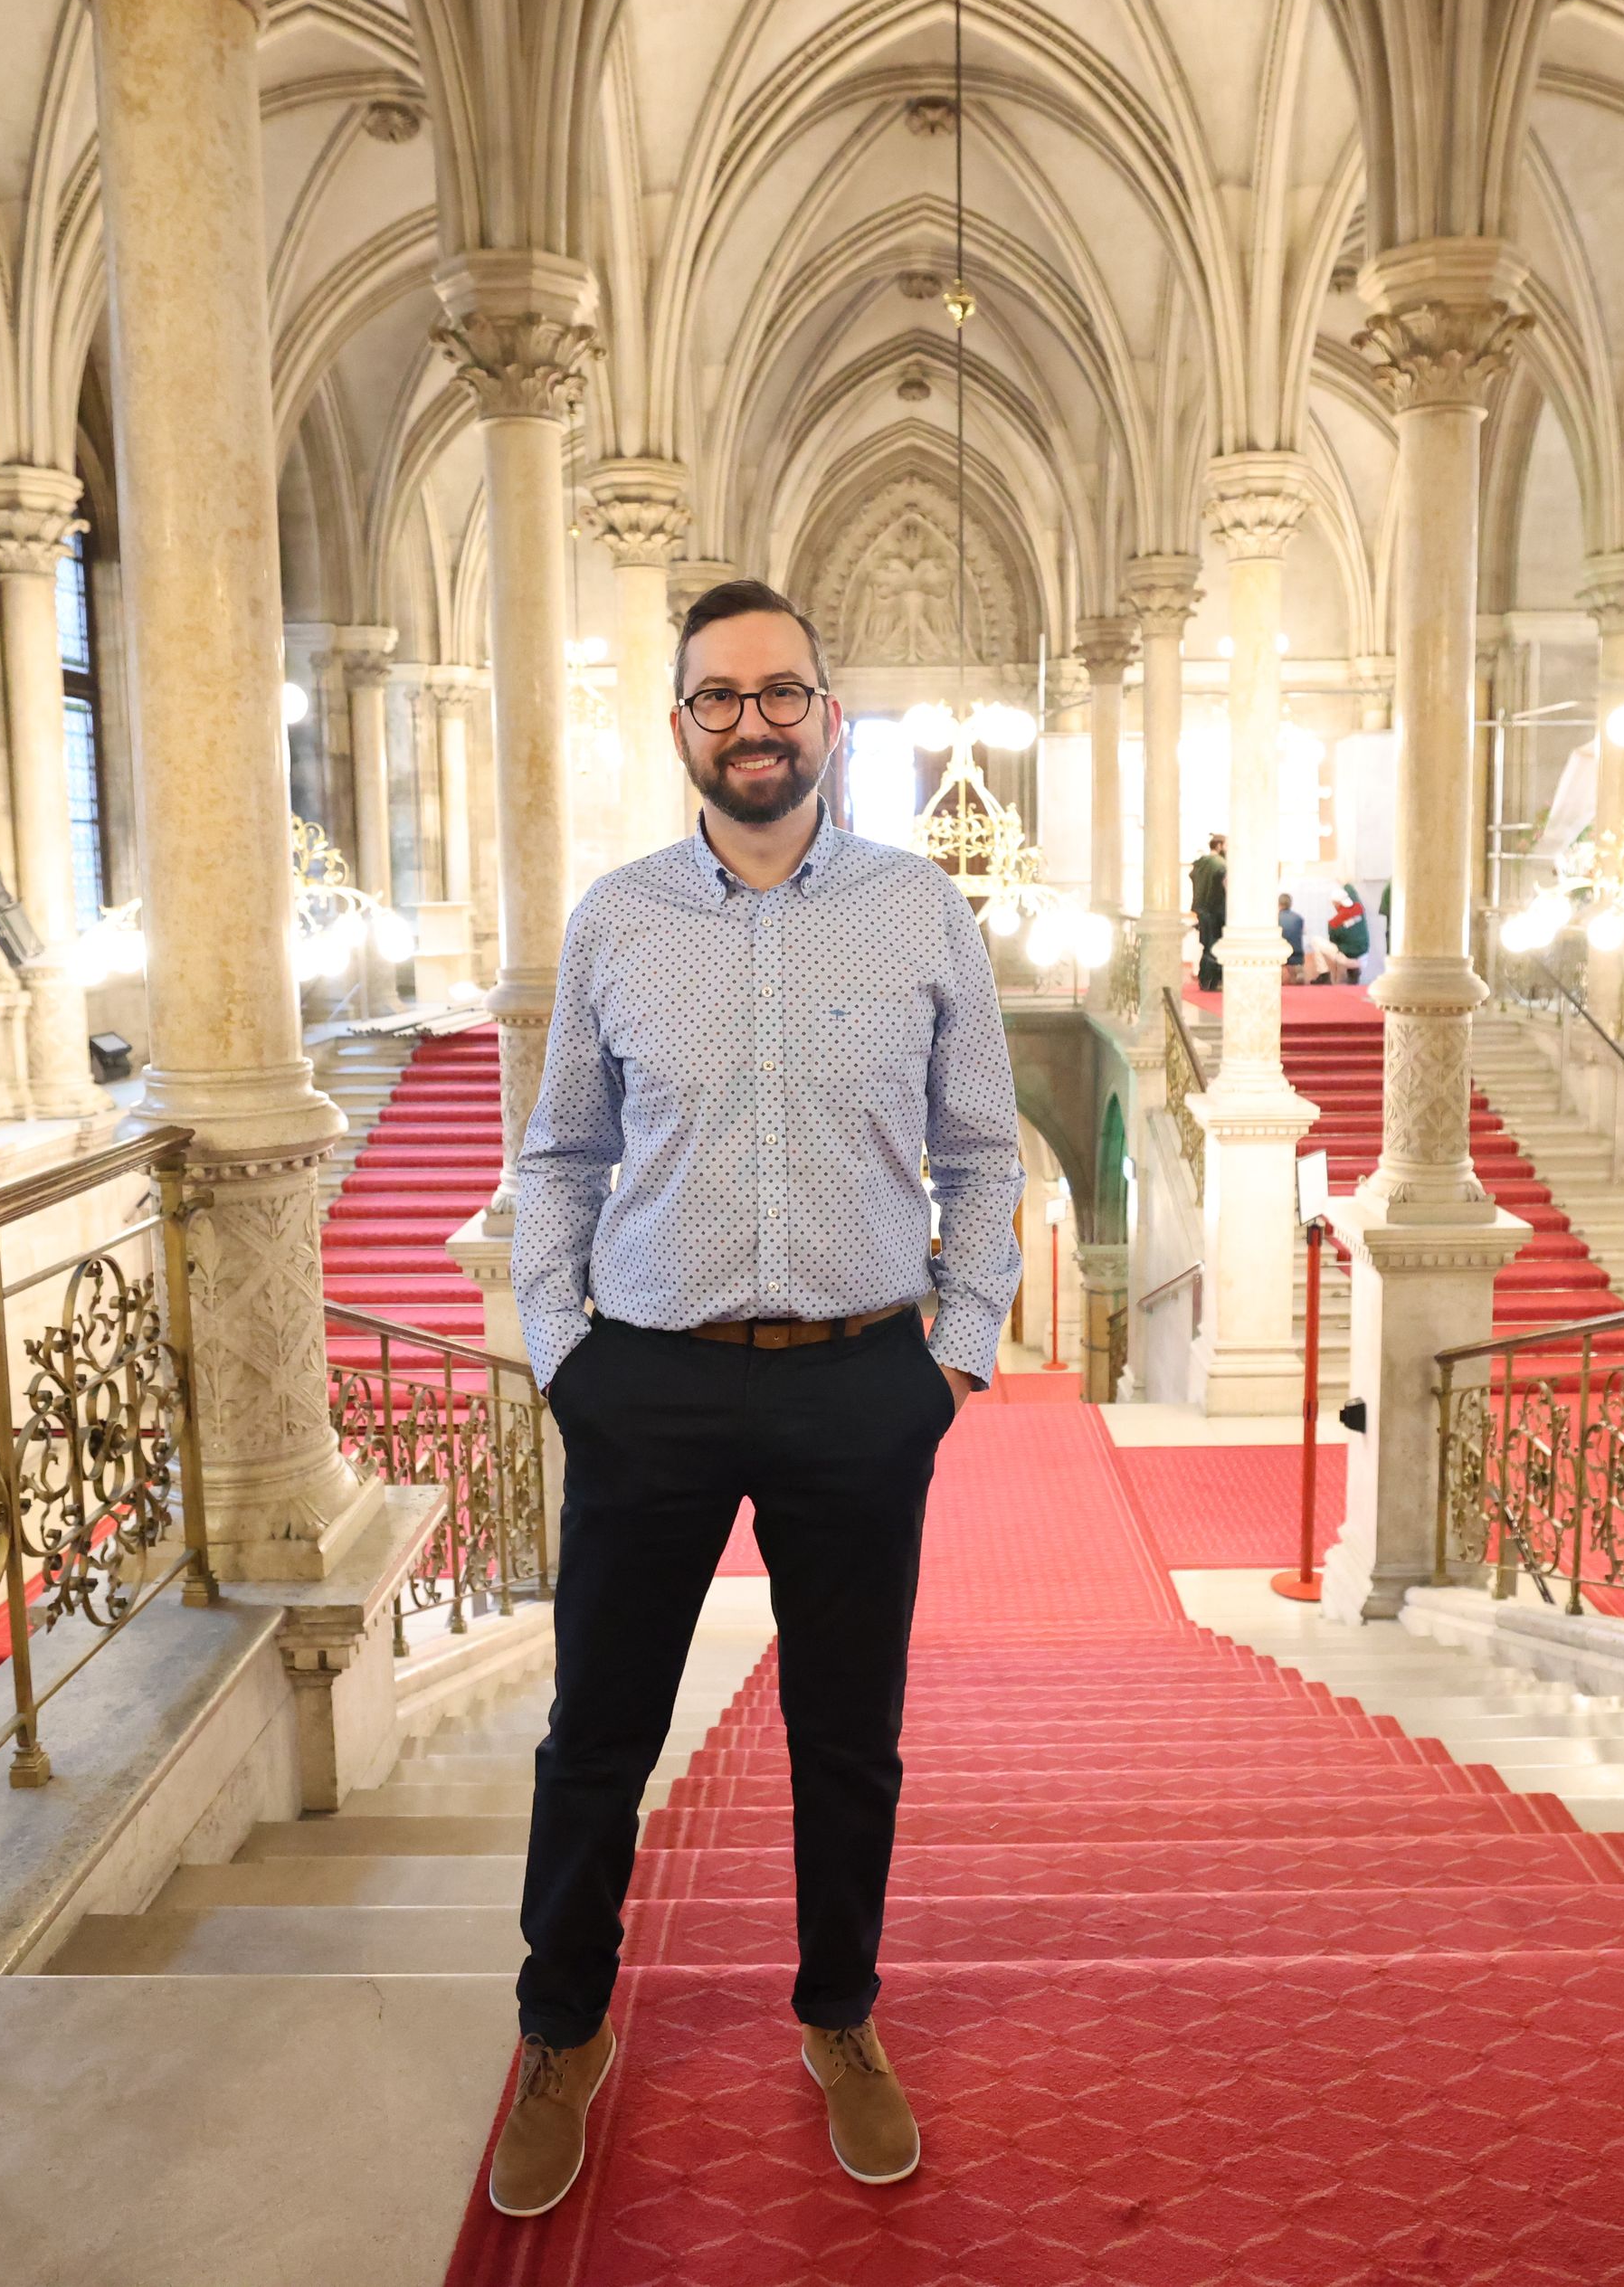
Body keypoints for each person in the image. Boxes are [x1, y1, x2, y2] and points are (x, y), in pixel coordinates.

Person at [492, 577, 1022, 2218]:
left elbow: (982, 1151)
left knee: (848, 1735)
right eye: (719, 696)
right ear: (681, 726)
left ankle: (840, 2014)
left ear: (829, 717)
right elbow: (560, 1155)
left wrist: (953, 1356)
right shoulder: (617, 919)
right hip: (646, 1377)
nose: (753, 722)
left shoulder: (922, 910)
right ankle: (562, 2028)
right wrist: (564, 1352)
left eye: (781, 691)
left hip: (862, 1379)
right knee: (598, 1733)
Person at [1190, 832, 1229, 992]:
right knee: (1216, 946)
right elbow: (1226, 885)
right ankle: (1214, 981)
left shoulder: (1200, 864)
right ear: (1219, 846)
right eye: (1226, 846)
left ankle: (1205, 980)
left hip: (1202, 911)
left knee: (1207, 946)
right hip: (1217, 911)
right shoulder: (1220, 864)